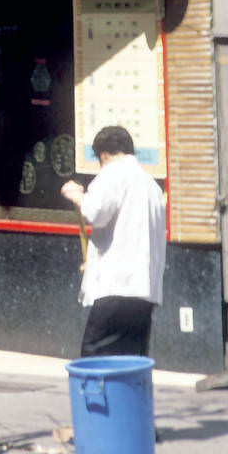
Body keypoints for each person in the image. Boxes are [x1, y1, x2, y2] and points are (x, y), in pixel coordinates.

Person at [60, 124, 166, 357]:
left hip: (116, 289)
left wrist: (78, 196)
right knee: (129, 359)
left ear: (104, 154)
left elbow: (95, 212)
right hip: (144, 291)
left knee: (95, 357)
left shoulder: (112, 174)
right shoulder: (151, 186)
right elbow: (130, 235)